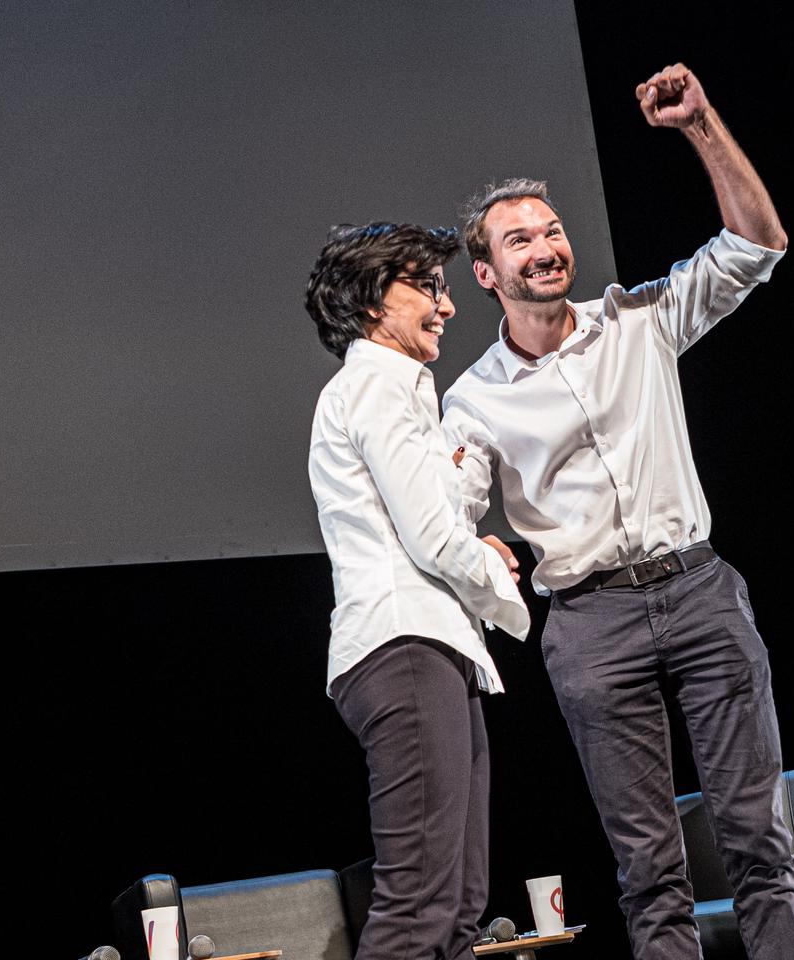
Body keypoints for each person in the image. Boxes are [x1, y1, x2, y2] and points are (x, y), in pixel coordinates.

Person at [441, 65, 794, 958]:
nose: (545, 248)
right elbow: (445, 513)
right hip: (591, 622)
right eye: (519, 240)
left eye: (554, 230)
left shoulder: (636, 318)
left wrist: (702, 125)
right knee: (650, 870)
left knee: (759, 837)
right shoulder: (474, 399)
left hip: (697, 591)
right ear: (488, 273)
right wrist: (474, 543)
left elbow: (759, 245)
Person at [304, 222, 530, 960]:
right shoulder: (374, 384)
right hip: (405, 646)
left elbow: (433, 519)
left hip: (435, 644)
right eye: (428, 286)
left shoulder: (400, 392)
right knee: (418, 908)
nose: (448, 305)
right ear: (373, 302)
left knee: (457, 907)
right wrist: (499, 581)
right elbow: (432, 540)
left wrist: (476, 540)